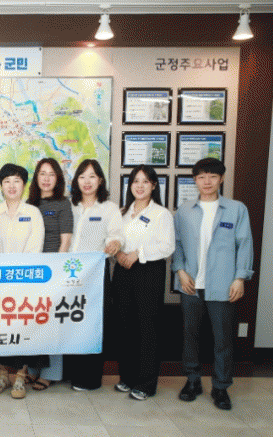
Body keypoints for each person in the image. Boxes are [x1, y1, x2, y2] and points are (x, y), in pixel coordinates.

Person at [172, 158, 253, 411]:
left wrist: (240, 278)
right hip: (191, 285)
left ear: (221, 179)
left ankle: (220, 386)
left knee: (223, 339)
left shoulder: (236, 209)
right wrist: (180, 271)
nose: (207, 182)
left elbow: (244, 244)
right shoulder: (184, 210)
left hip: (224, 285)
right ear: (195, 180)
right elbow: (177, 245)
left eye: (212, 176)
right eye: (201, 177)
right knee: (190, 335)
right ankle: (192, 381)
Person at [113, 165, 174, 400]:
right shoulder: (122, 212)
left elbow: (167, 246)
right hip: (122, 271)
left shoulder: (161, 214)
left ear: (154, 185)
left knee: (147, 328)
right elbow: (113, 240)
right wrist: (119, 253)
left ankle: (146, 383)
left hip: (148, 273)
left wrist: (138, 254)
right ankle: (127, 377)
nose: (140, 186)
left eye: (145, 181)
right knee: (125, 325)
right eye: (135, 181)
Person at [0, 163, 45, 400]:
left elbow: (35, 247)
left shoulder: (33, 213)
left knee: (22, 328)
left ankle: (21, 375)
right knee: (0, 328)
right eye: (7, 181)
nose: (12, 186)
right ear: (1, 186)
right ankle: (3, 374)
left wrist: (18, 273)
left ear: (24, 185)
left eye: (17, 181)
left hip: (24, 282)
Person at [65, 159, 123, 391]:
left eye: (92, 176)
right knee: (70, 321)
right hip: (68, 275)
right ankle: (70, 372)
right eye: (82, 176)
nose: (86, 182)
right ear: (76, 181)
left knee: (92, 325)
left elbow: (116, 234)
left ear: (100, 180)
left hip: (95, 275)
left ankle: (89, 377)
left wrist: (115, 243)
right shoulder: (69, 206)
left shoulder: (109, 208)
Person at [25, 157, 73, 391]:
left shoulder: (63, 204)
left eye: (51, 174)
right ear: (36, 178)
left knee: (52, 322)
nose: (46, 179)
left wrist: (55, 271)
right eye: (42, 174)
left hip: (52, 271)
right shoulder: (29, 204)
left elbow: (66, 241)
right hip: (32, 272)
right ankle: (33, 370)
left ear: (58, 179)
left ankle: (51, 373)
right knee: (34, 321)